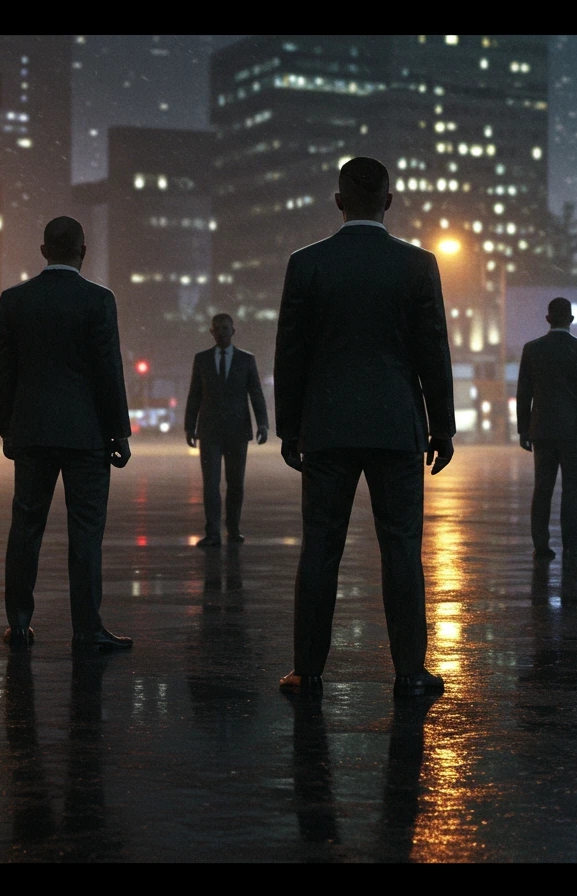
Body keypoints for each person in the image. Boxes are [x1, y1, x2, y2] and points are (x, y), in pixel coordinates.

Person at [274, 156, 456, 698]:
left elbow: (291, 353)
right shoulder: (417, 265)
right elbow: (433, 351)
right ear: (389, 201)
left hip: (328, 426)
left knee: (320, 547)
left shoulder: (307, 264)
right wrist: (441, 427)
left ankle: (307, 671)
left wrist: (290, 428)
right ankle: (410, 671)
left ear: (338, 201)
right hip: (396, 426)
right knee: (401, 549)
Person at [0, 216, 134, 650]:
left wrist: (8, 429)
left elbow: (3, 370)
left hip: (32, 432)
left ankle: (19, 623)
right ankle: (86, 629)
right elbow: (108, 369)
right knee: (85, 534)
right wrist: (119, 432)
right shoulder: (98, 300)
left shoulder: (14, 300)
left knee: (25, 528)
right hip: (86, 434)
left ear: (43, 251)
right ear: (82, 251)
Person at [515, 296, 577, 564]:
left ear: (548, 319)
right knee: (572, 491)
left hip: (542, 429)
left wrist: (523, 430)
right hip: (575, 431)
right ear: (571, 319)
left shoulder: (532, 349)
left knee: (542, 489)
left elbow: (524, 393)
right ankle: (572, 546)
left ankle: (541, 546)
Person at [184, 312, 270, 546]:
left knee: (235, 484)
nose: (221, 332)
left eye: (225, 328)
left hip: (237, 431)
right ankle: (213, 532)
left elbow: (256, 394)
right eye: (217, 328)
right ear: (211, 332)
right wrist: (189, 427)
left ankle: (233, 529)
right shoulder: (202, 359)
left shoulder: (246, 360)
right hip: (210, 431)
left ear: (233, 331)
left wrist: (263, 423)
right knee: (211, 484)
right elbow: (194, 395)